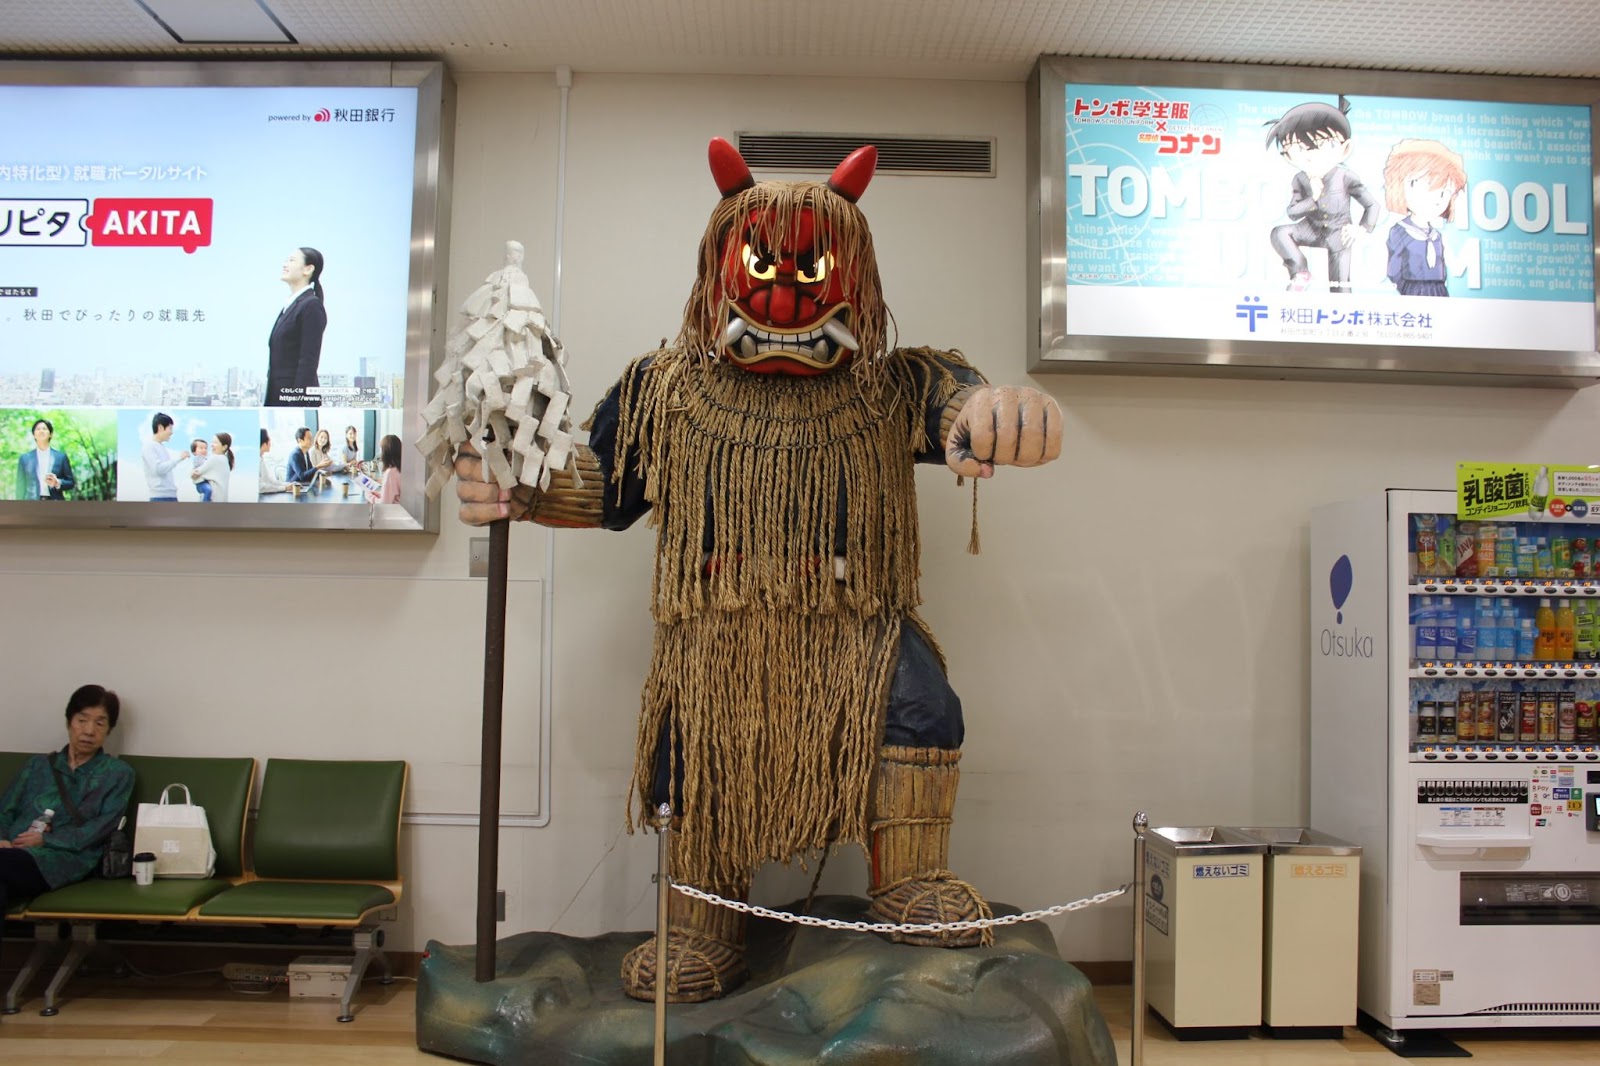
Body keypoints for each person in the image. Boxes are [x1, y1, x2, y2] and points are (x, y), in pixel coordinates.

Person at [0, 685, 135, 934]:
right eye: (82, 720)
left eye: (100, 723)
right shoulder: (37, 765)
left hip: (64, 858)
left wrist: (46, 840)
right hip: (10, 853)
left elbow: (103, 827)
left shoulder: (117, 774)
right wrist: (2, 839)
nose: (89, 730)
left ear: (109, 730)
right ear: (68, 722)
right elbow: (5, 809)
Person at [1266, 99, 1379, 293]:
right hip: (1310, 229)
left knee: (1340, 286)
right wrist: (1314, 198)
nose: (1310, 155)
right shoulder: (1300, 179)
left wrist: (1361, 228)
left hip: (1339, 233)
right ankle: (1300, 273)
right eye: (1298, 149)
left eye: (1319, 146)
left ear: (1345, 149)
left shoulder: (1346, 176)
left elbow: (1372, 205)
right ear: (1289, 156)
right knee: (1279, 233)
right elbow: (1292, 213)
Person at [1383, 138, 1468, 297]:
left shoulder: (1436, 236)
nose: (1436, 199)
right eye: (1427, 188)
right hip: (1413, 292)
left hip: (1439, 292)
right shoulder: (1399, 232)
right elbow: (1393, 270)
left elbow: (1445, 268)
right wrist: (1408, 289)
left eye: (1444, 193)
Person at [265, 247, 327, 408]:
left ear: (308, 269)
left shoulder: (311, 305)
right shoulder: (291, 305)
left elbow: (308, 362)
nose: (285, 264)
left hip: (294, 402)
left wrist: (295, 405)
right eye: (286, 260)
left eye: (291, 260)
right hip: (279, 398)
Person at [15, 418, 74, 501]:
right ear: (34, 435)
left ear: (51, 434)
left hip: (55, 502)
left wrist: (57, 482)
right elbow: (20, 487)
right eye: (38, 429)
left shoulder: (61, 457)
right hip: (31, 503)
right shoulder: (25, 458)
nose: (41, 431)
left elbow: (71, 482)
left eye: (44, 429)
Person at [141, 413, 188, 502]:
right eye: (170, 428)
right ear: (160, 428)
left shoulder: (161, 447)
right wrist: (179, 458)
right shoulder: (149, 446)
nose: (172, 432)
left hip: (171, 496)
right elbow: (158, 469)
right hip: (160, 497)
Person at [188, 433, 234, 503]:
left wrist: (193, 474)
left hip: (213, 501)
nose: (212, 445)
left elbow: (195, 474)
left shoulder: (215, 459)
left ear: (224, 447)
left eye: (215, 443)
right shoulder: (225, 459)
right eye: (212, 442)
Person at [365, 434, 401, 504]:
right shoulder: (401, 468)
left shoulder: (390, 473)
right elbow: (394, 495)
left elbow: (383, 504)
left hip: (393, 510)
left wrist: (369, 496)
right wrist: (379, 494)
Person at [259, 429, 292, 494]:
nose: (270, 443)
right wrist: (284, 488)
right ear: (265, 444)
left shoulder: (261, 458)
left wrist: (288, 484)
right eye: (269, 440)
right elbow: (260, 487)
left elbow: (269, 480)